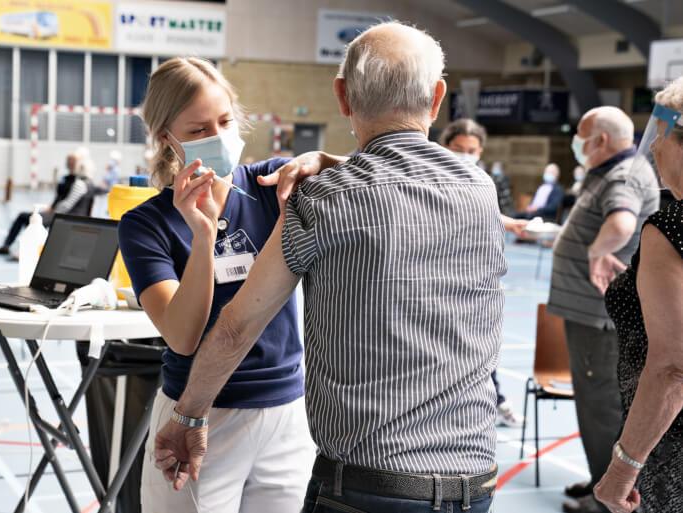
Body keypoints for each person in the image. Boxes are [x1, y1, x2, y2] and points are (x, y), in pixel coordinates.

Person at [152, 22, 504, 513]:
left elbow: (236, 328)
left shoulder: (322, 199)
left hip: (369, 484)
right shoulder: (480, 189)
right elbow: (404, 174)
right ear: (438, 96)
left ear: (342, 96)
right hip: (474, 482)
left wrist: (187, 418)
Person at [117, 57, 331, 513]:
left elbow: (382, 179)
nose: (216, 137)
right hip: (199, 414)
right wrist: (203, 235)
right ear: (166, 139)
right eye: (197, 131)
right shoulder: (145, 225)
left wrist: (326, 159)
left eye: (225, 121)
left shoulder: (274, 185)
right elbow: (182, 334)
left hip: (286, 413)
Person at [547, 106, 659, 513]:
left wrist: (597, 250)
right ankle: (600, 480)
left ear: (602, 141)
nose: (577, 141)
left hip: (600, 318)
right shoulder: (610, 171)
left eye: (581, 134)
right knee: (593, 404)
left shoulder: (624, 175)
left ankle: (610, 500)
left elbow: (622, 224)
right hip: (590, 315)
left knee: (601, 408)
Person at [594, 78, 683, 513]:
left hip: (670, 447)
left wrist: (623, 469)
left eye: (661, 135)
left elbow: (672, 370)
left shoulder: (669, 229)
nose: (652, 148)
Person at [440, 118, 524, 427]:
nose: (464, 154)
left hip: (473, 281)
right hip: (437, 278)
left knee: (478, 346)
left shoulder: (481, 180)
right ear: (445, 146)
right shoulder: (430, 175)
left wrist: (510, 223)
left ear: (480, 151)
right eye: (458, 148)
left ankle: (496, 400)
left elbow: (484, 213)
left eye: (471, 149)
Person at [0, 152, 93, 256]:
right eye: (68, 161)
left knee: (36, 223)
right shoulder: (65, 179)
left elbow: (68, 204)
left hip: (65, 215)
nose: (69, 163)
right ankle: (7, 246)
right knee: (24, 216)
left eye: (72, 161)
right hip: (55, 211)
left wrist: (54, 210)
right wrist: (51, 207)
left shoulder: (80, 183)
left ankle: (26, 252)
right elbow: (59, 197)